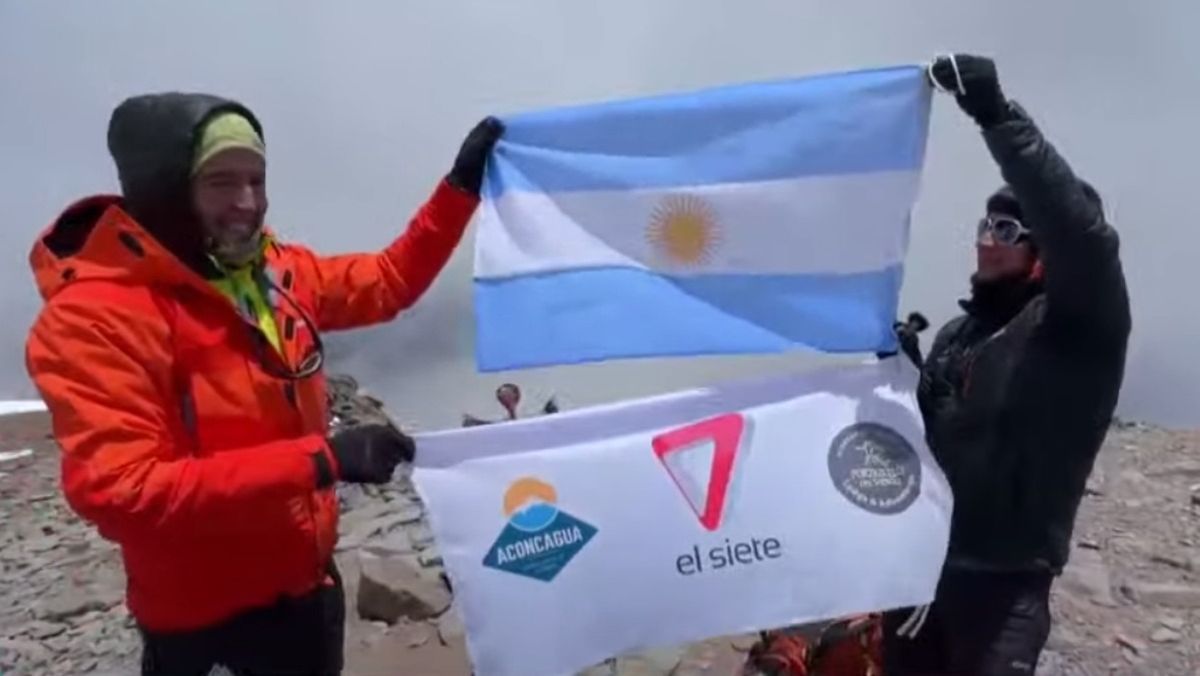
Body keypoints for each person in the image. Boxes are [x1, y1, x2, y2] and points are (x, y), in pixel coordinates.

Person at [24, 92, 503, 675]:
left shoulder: (272, 272)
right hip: (205, 625)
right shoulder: (97, 317)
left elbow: (387, 282)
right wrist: (321, 461)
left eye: (257, 178)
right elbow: (125, 494)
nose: (248, 202)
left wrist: (459, 190)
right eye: (221, 181)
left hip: (306, 593)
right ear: (164, 188)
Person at [881, 54, 1131, 674]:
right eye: (984, 225)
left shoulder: (1080, 327)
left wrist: (996, 115)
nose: (987, 239)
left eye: (1008, 228)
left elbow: (1081, 232)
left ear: (1044, 248)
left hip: (1003, 589)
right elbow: (926, 443)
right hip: (919, 578)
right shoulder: (960, 333)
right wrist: (900, 377)